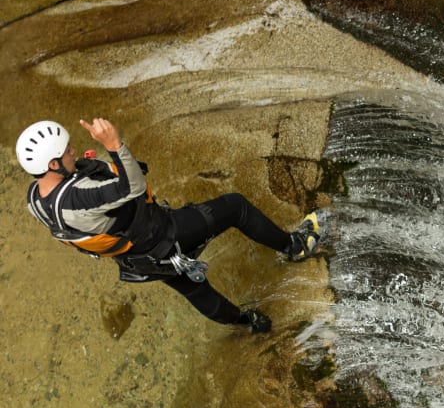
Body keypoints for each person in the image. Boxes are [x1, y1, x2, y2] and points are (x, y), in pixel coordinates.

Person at [15, 117, 322, 333]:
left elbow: (83, 206)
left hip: (141, 259)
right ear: (52, 165)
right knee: (235, 207)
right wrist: (114, 144)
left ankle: (248, 323)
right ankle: (295, 247)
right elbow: (133, 187)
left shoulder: (36, 199)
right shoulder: (79, 200)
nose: (72, 151)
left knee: (195, 289)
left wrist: (87, 168)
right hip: (165, 235)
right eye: (65, 152)